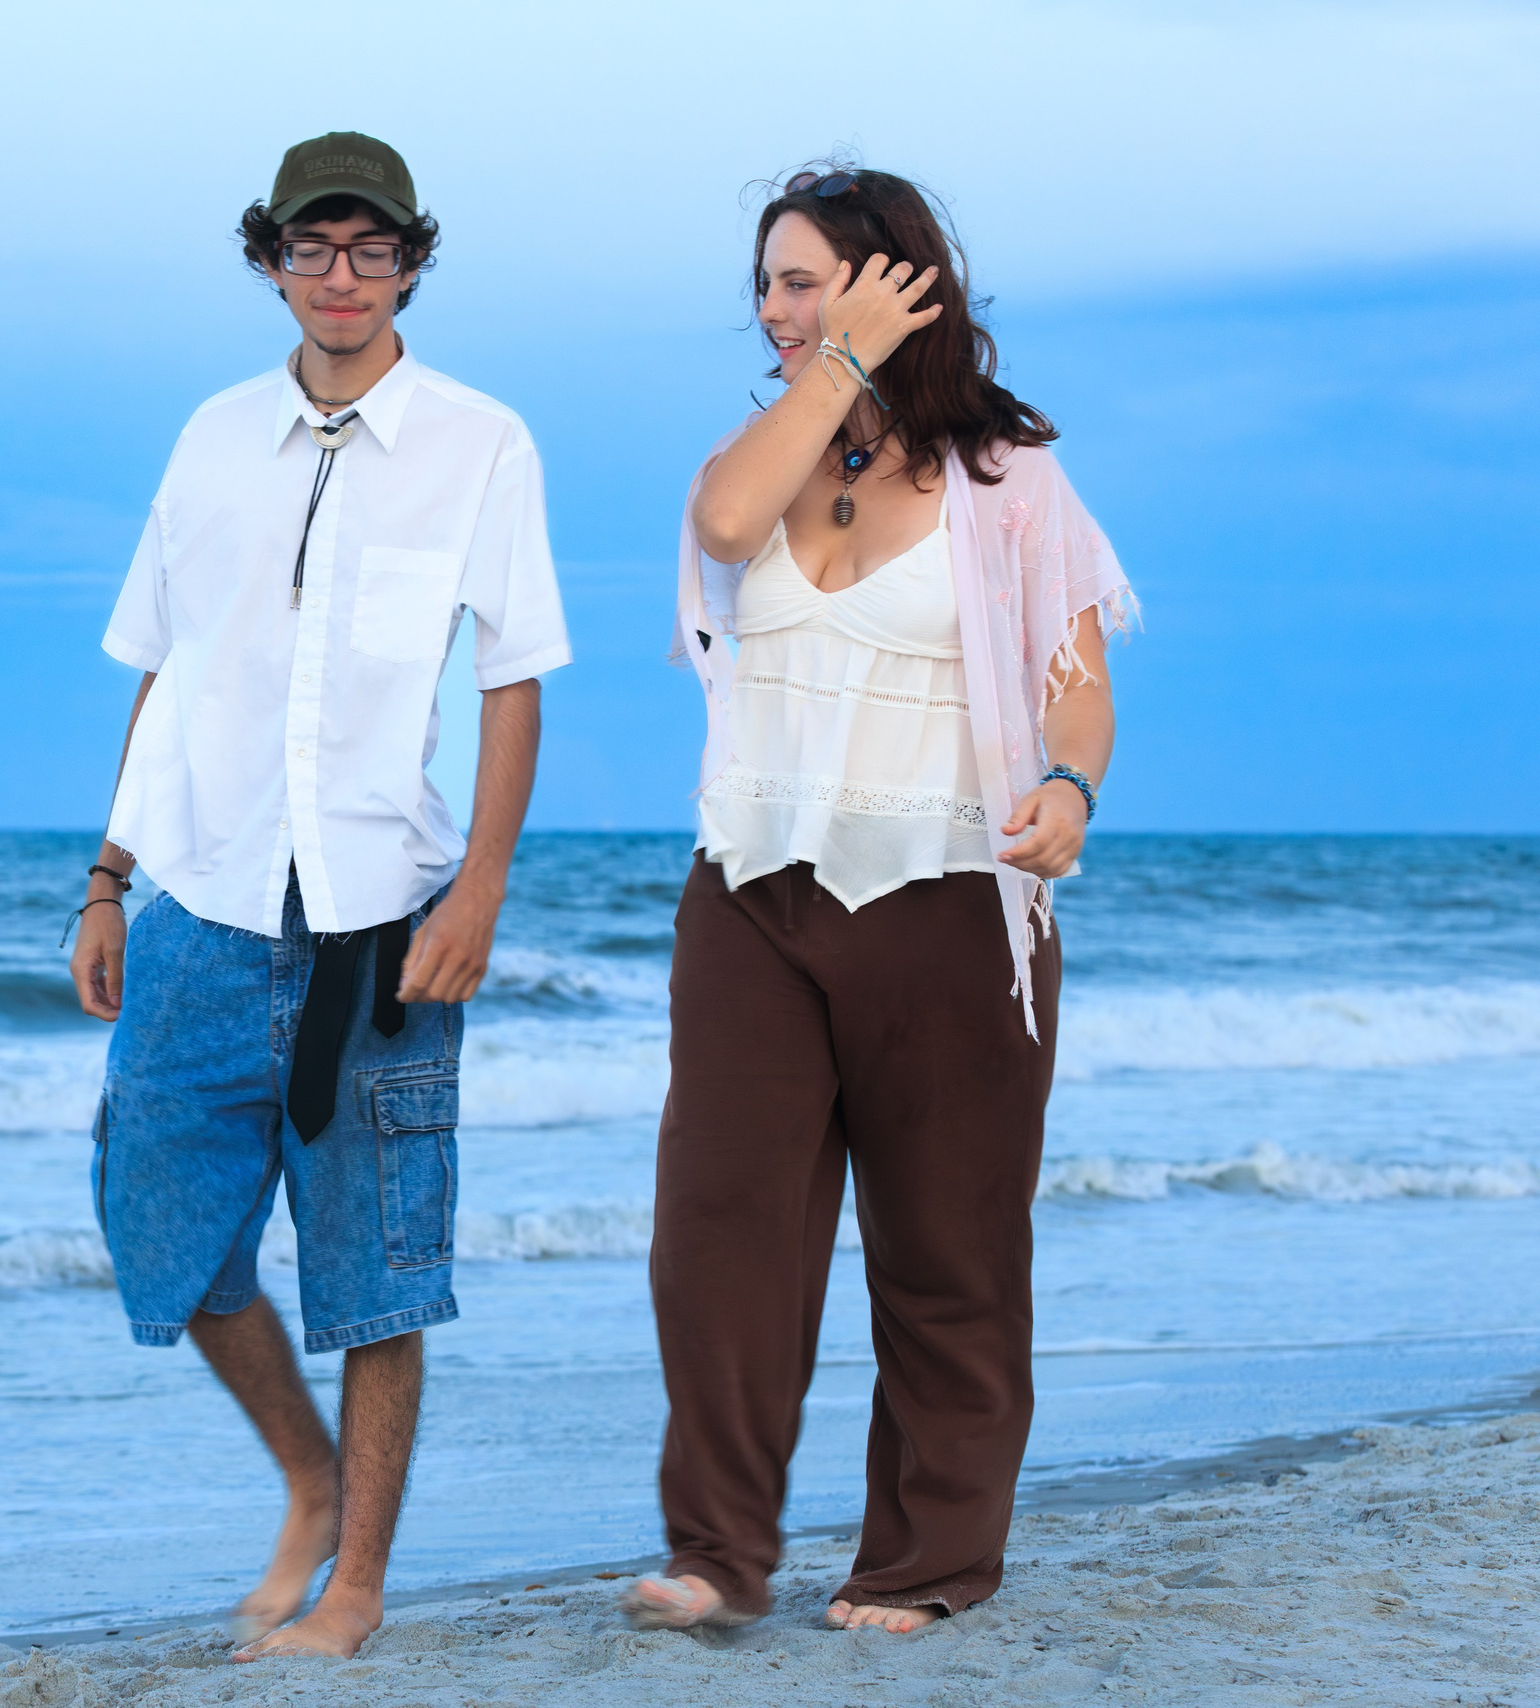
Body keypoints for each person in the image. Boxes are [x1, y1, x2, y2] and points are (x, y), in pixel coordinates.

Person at [64, 131, 571, 1660]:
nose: (339, 276)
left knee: (377, 1268)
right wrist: (107, 877)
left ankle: (354, 1591)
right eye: (311, 247)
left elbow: (514, 679)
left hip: (384, 919)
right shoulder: (211, 438)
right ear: (271, 261)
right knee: (156, 1225)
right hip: (203, 904)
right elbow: (163, 666)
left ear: (410, 262)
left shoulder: (483, 443)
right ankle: (308, 1477)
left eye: (368, 248)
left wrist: (481, 891)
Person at [622, 165, 1136, 1636]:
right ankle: (719, 1554)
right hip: (753, 890)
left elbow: (1077, 688)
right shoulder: (761, 457)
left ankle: (928, 1559)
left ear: (895, 281)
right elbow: (727, 525)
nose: (775, 310)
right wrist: (836, 361)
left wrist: (1068, 790)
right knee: (718, 1228)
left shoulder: (1010, 481)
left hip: (950, 898)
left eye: (804, 282)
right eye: (767, 286)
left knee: (946, 1248)